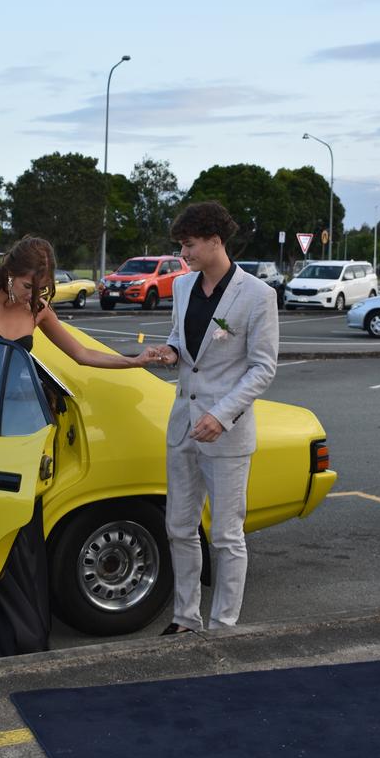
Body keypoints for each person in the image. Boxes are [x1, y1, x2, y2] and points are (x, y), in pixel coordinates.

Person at [0, 235, 157, 663]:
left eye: (39, 289)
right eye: (26, 286)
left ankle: (18, 634)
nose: (32, 295)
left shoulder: (37, 310)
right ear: (8, 273)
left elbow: (81, 354)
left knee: (20, 528)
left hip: (20, 427)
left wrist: (134, 360)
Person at [154, 201, 279, 634]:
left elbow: (263, 368)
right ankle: (185, 619)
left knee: (226, 536)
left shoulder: (258, 295)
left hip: (225, 433)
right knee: (178, 528)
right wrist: (169, 351)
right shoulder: (182, 287)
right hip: (182, 426)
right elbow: (179, 338)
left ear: (214, 241)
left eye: (188, 245)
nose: (183, 254)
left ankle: (223, 627)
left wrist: (222, 415)